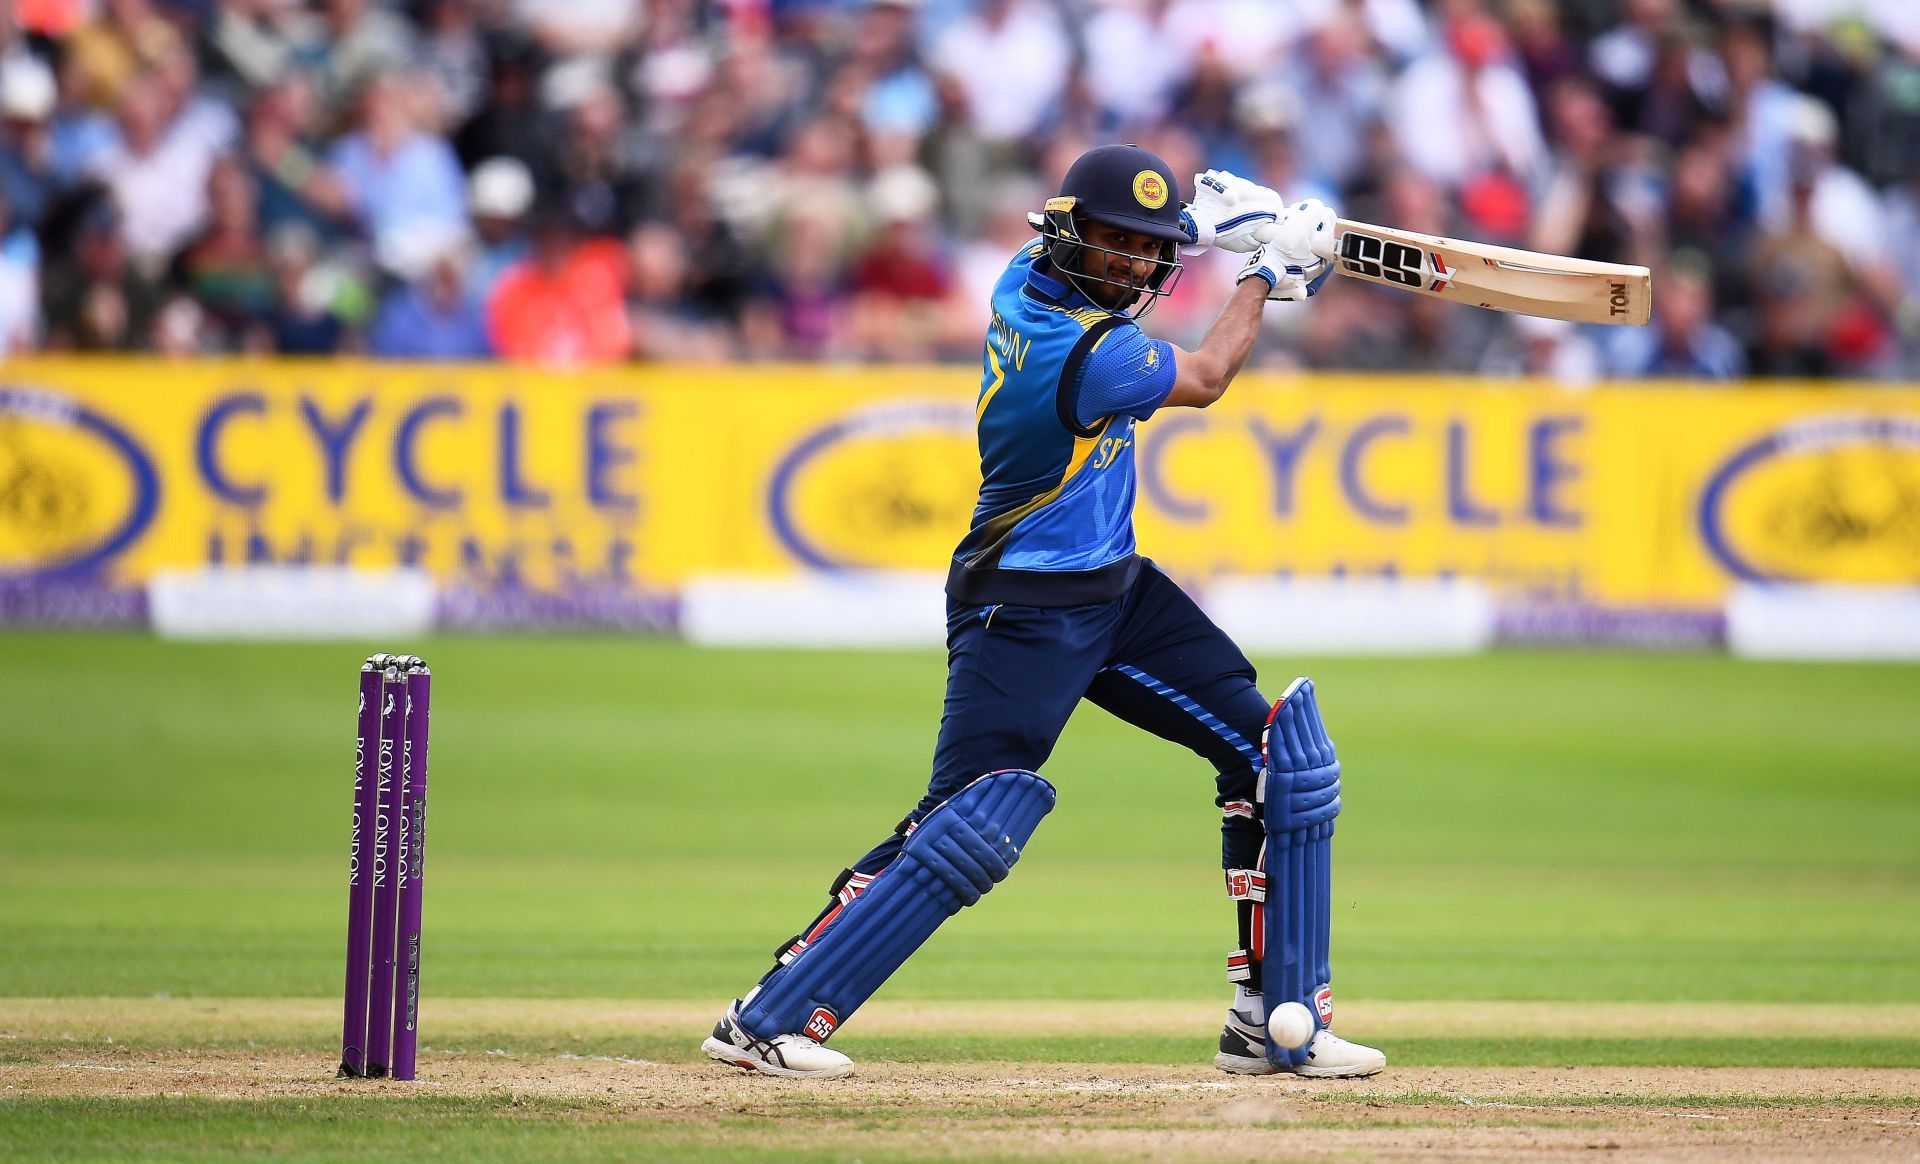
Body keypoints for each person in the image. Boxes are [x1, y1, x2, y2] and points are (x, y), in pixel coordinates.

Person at [702, 144, 1386, 1081]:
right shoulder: (1088, 352)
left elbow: (1127, 249)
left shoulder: (1025, 274)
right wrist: (1265, 272)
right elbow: (1209, 374)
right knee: (965, 822)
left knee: (1277, 756)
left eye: (1142, 250)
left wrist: (1205, 231)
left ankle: (1276, 1017)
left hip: (1117, 587)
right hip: (1021, 606)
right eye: (1110, 245)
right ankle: (769, 1015)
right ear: (1070, 238)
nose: (1127, 265)